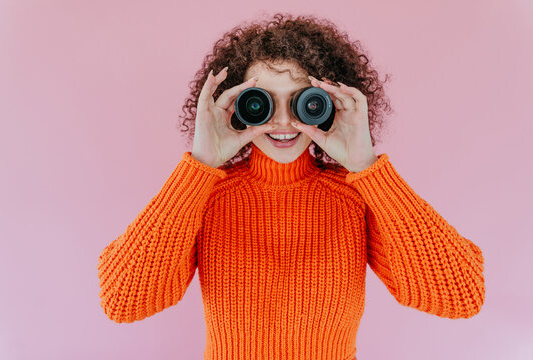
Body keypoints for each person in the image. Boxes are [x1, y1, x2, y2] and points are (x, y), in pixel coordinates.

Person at [97, 12, 485, 360]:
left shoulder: (357, 197)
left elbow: (460, 293)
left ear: (333, 103)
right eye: (260, 102)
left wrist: (367, 166)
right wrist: (200, 166)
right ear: (232, 106)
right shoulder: (207, 197)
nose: (283, 122)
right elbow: (122, 299)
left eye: (305, 102)